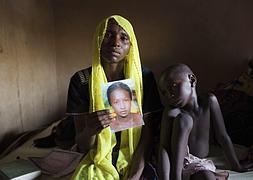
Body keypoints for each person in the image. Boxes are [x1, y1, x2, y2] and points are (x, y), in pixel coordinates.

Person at [67, 15, 163, 180]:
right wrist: (90, 129)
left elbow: (147, 136)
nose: (115, 42)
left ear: (131, 46)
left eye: (123, 38)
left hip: (137, 157)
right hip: (98, 158)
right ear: (98, 39)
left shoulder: (144, 78)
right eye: (108, 35)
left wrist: (134, 175)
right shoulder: (81, 80)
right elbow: (83, 145)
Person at [158, 63, 252, 180]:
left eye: (173, 86)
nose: (169, 94)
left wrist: (236, 166)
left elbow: (222, 136)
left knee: (207, 176)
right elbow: (164, 148)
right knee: (184, 120)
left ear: (192, 80)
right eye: (164, 92)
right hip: (176, 165)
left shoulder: (209, 101)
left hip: (196, 163)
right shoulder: (172, 112)